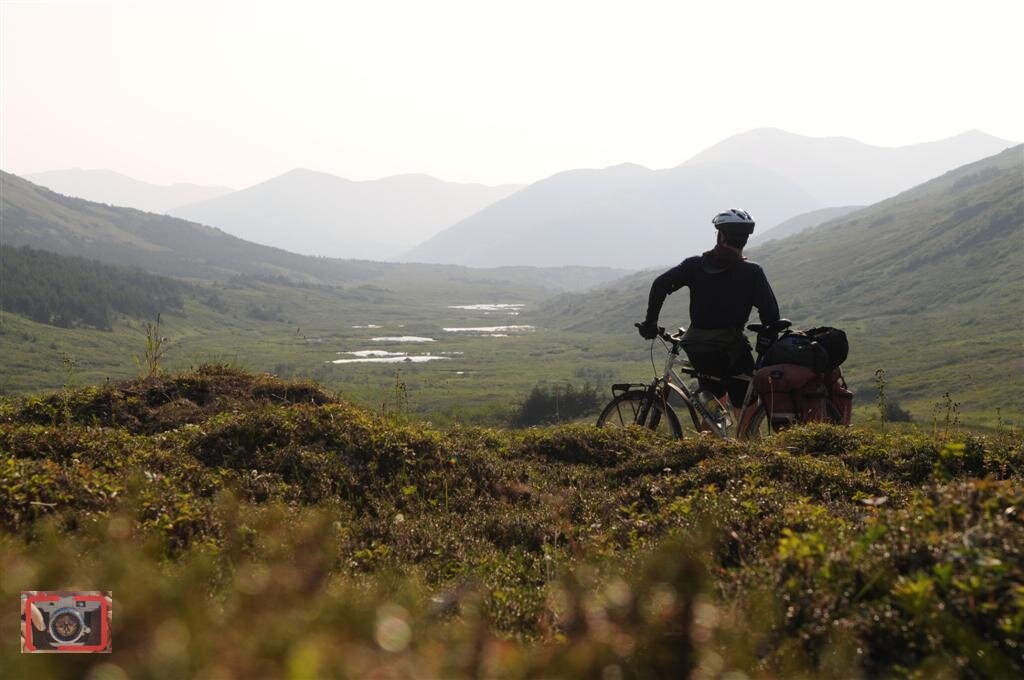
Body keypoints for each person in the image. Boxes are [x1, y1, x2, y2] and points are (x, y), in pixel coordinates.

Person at [636, 209, 780, 414]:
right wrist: (766, 343)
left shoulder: (695, 265)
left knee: (713, 407)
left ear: (721, 236)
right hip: (732, 351)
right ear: (745, 240)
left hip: (697, 348)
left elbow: (660, 285)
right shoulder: (752, 272)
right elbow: (771, 314)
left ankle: (710, 441)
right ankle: (746, 440)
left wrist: (650, 323)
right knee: (745, 406)